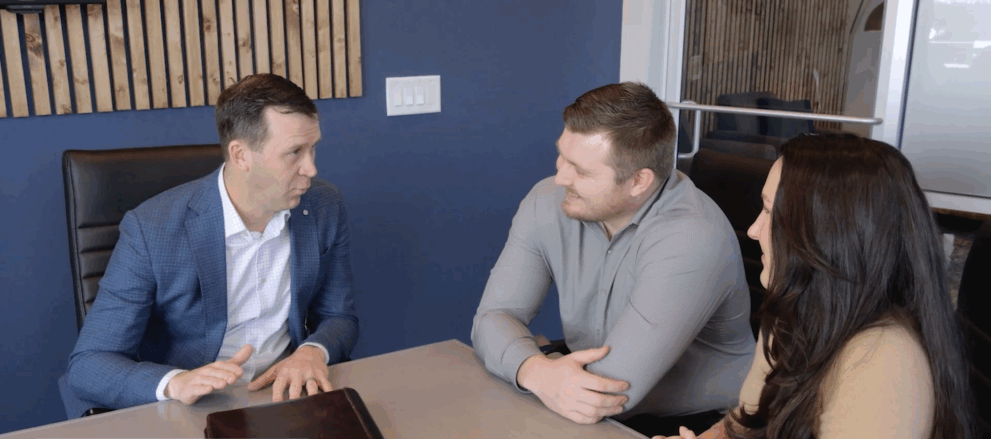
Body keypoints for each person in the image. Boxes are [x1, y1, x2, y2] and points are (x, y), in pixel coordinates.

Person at [59, 74, 359, 417]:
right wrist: (176, 382)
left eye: (313, 148)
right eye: (294, 152)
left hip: (285, 397)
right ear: (241, 155)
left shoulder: (323, 206)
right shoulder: (150, 228)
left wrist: (313, 351)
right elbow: (89, 364)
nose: (311, 168)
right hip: (194, 408)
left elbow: (339, 316)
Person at [471, 82, 755, 435]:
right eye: (562, 155)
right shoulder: (548, 200)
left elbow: (613, 389)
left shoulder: (692, 237)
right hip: (576, 395)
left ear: (639, 181)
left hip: (697, 424)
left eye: (583, 171)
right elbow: (491, 318)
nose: (560, 177)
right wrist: (535, 370)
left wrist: (534, 368)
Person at [657, 133, 975, 439]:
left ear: (827, 234)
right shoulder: (795, 304)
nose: (753, 230)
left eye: (770, 212)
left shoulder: (885, 360)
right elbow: (749, 422)